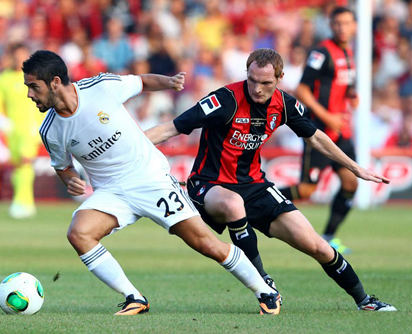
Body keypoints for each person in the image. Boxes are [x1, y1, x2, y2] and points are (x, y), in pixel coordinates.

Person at [22, 50, 281, 316]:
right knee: (79, 233)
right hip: (111, 192)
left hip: (149, 178)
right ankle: (134, 298)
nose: (30, 94)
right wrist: (71, 180)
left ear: (55, 82)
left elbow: (142, 82)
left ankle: (265, 291)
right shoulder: (50, 129)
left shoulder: (100, 88)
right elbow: (62, 166)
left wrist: (168, 82)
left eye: (33, 86)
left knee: (206, 244)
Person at [145, 47, 396, 312]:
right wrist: (123, 147)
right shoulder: (224, 100)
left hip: (255, 185)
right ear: (247, 73)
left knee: (318, 246)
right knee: (233, 205)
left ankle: (365, 300)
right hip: (209, 184)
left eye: (265, 83)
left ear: (279, 78)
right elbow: (170, 129)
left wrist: (355, 167)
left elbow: (316, 136)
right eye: (252, 80)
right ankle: (264, 285)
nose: (257, 88)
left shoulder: (285, 104)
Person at [278, 7, 360, 253]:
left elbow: (341, 85)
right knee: (306, 190)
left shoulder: (348, 52)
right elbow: (302, 90)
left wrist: (352, 95)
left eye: (346, 23)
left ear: (354, 26)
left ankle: (328, 236)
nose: (342, 28)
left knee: (351, 182)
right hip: (320, 132)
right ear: (331, 25)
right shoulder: (321, 52)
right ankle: (254, 199)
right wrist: (327, 117)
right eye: (337, 24)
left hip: (341, 132)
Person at [0, 44, 43, 219]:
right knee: (17, 165)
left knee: (25, 161)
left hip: (31, 127)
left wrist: (42, 122)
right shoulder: (4, 78)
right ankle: (23, 202)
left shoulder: (36, 76)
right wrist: (0, 119)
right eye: (17, 56)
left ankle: (23, 203)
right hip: (12, 128)